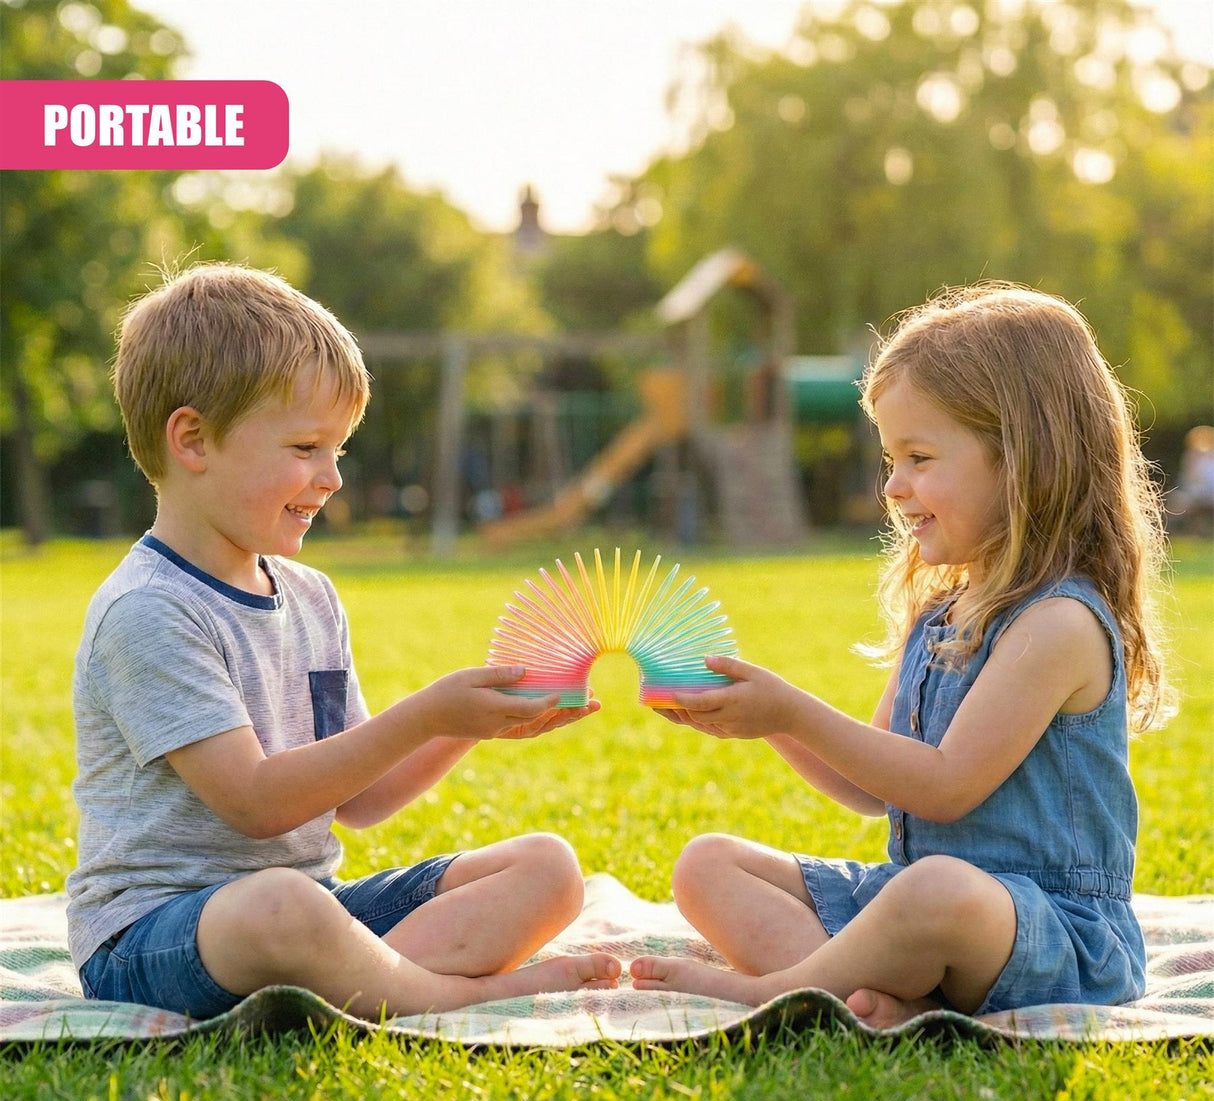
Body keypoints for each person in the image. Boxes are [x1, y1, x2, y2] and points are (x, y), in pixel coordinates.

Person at [67, 263, 620, 1021]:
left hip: (309, 907)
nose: (330, 478)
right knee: (283, 910)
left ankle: (359, 977)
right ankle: (459, 996)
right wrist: (425, 713)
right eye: (305, 448)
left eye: (340, 452)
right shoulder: (149, 612)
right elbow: (257, 805)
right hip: (154, 939)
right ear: (192, 440)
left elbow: (359, 801)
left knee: (547, 869)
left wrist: (465, 726)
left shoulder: (311, 598)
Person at [631, 283, 1172, 1027]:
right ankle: (891, 995)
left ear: (1025, 459)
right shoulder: (941, 611)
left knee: (937, 891)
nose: (893, 486)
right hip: (916, 897)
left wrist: (792, 708)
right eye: (890, 458)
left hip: (1051, 935)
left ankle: (778, 992)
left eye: (918, 456)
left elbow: (943, 788)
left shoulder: (1058, 624)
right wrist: (770, 721)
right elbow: (874, 783)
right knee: (707, 865)